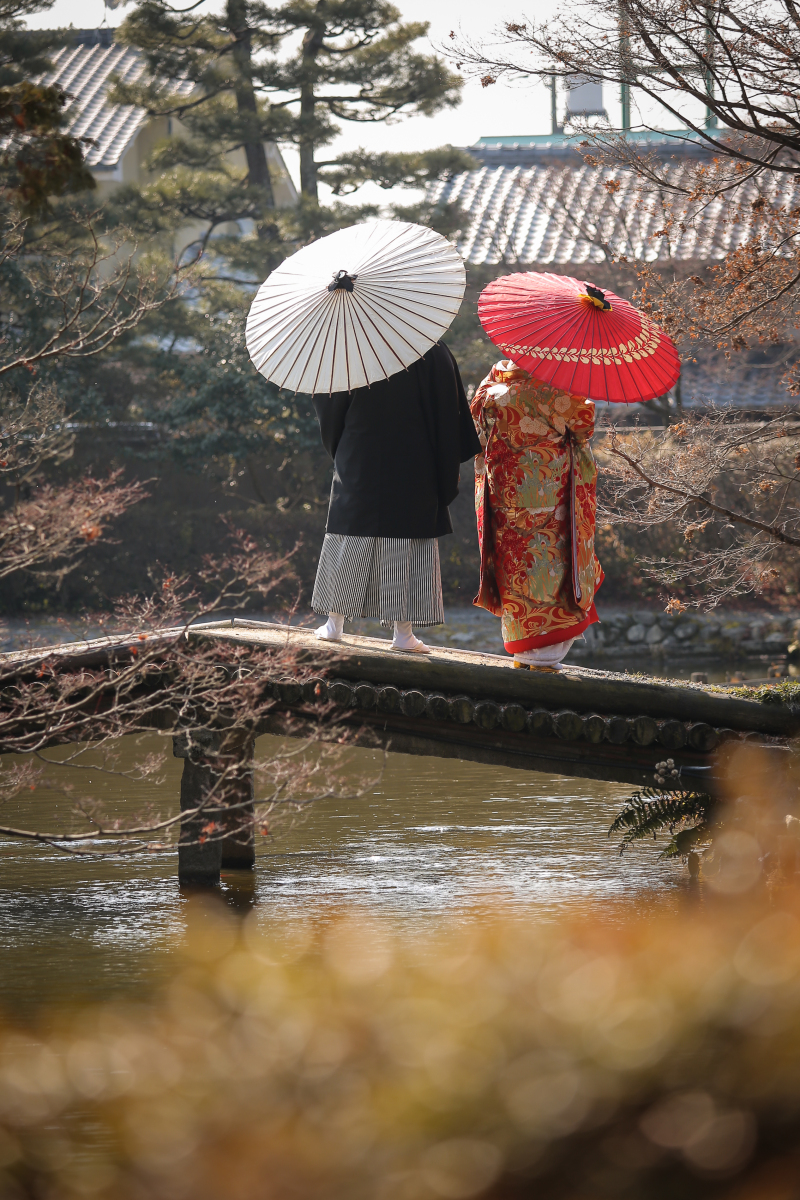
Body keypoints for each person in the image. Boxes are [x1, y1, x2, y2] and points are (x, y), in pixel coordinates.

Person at [311, 341, 481, 652]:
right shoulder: (429, 348)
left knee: (350, 534)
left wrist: (341, 447)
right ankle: (403, 634)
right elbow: (448, 412)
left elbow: (328, 404)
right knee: (407, 541)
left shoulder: (349, 345)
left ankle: (334, 624)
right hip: (413, 456)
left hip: (359, 450)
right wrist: (446, 464)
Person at [470, 358, 603, 670]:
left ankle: (523, 650)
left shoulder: (494, 378)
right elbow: (584, 424)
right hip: (547, 488)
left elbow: (476, 422)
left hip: (504, 489)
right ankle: (543, 654)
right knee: (549, 562)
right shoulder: (556, 382)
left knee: (514, 563)